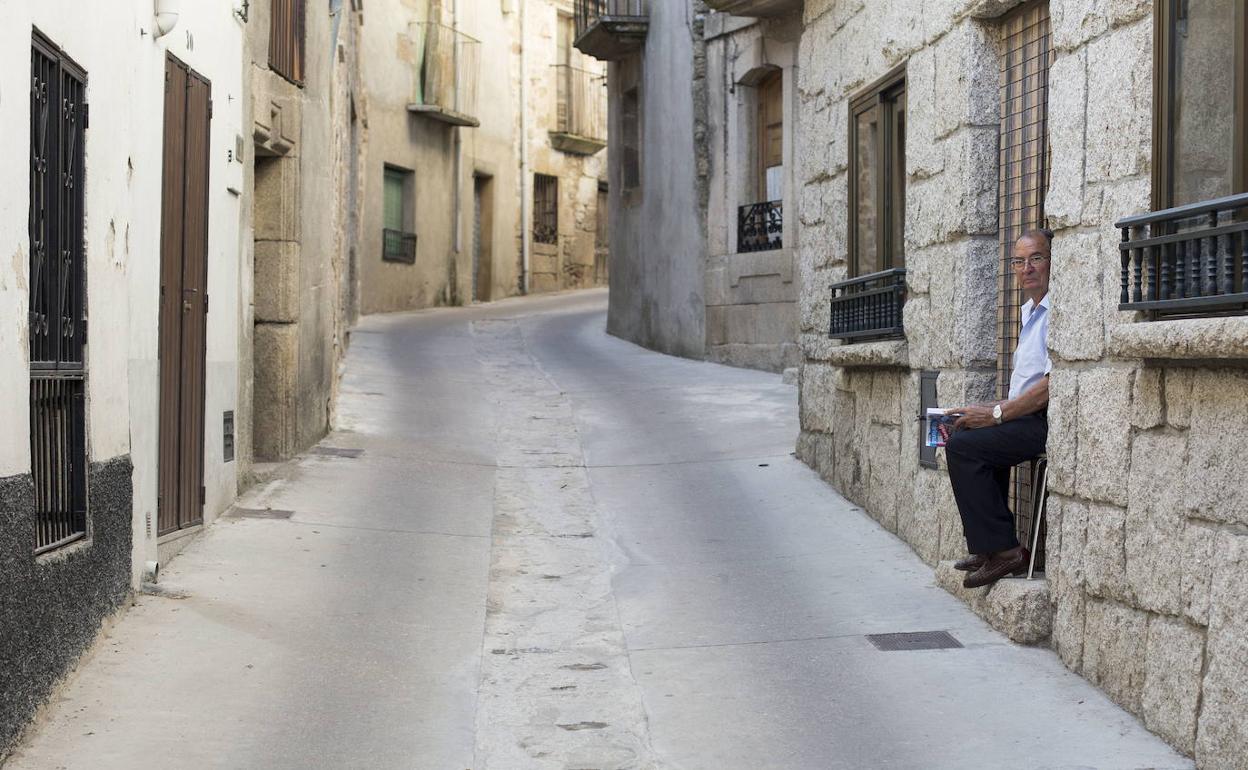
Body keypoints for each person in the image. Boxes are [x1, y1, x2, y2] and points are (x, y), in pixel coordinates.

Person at [944, 228, 1053, 589]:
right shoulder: (1030, 314)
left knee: (963, 448)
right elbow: (1023, 387)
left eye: (1036, 258)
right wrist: (983, 411)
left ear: (1052, 261)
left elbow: (1047, 389)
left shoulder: (1056, 313)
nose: (1027, 268)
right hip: (1021, 415)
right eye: (1019, 261)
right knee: (964, 431)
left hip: (1042, 422)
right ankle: (989, 548)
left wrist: (995, 415)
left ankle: (1007, 551)